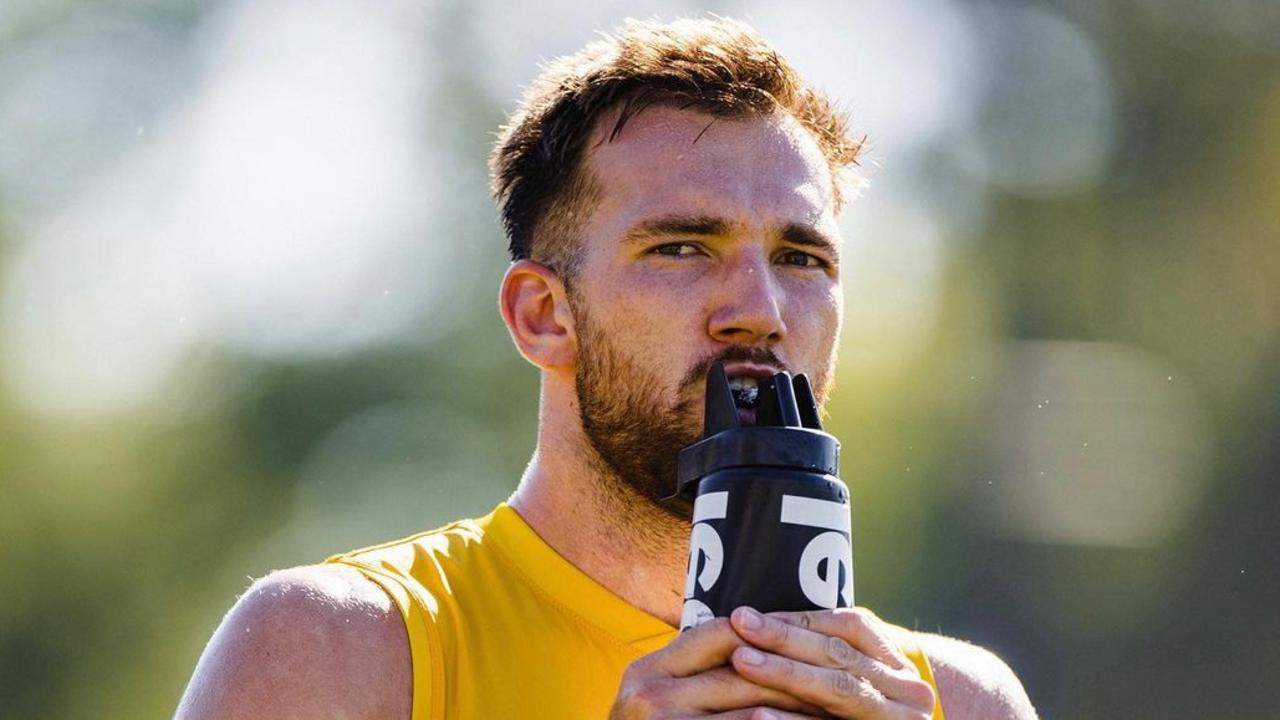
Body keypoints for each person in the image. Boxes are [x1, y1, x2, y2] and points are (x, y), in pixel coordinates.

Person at [175, 17, 1038, 720]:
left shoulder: (954, 703)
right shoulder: (338, 653)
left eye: (801, 258)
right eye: (682, 248)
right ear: (542, 316)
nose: (761, 310)